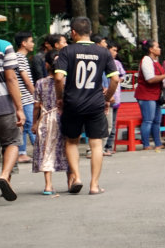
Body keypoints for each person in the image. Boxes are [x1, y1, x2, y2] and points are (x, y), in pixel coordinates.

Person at [53, 17, 119, 195]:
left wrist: (60, 98)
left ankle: (77, 177)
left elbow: (58, 78)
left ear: (73, 32)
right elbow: (115, 79)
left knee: (72, 141)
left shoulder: (67, 51)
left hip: (72, 103)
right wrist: (107, 98)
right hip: (95, 103)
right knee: (96, 144)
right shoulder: (103, 52)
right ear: (89, 31)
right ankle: (94, 185)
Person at [32, 50, 68, 194]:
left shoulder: (40, 83)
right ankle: (71, 180)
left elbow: (36, 106)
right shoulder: (66, 81)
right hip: (63, 117)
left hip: (46, 119)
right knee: (67, 148)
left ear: (47, 65)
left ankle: (48, 185)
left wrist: (35, 123)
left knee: (46, 149)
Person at [0, 18, 24, 201]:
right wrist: (20, 108)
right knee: (12, 142)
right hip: (3, 105)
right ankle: (5, 175)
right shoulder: (4, 46)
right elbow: (12, 79)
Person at [134, 40, 165, 151]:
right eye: (157, 46)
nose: (160, 48)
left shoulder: (155, 61)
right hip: (146, 94)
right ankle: (146, 144)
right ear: (151, 49)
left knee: (157, 120)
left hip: (155, 94)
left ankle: (157, 143)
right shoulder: (146, 60)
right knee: (148, 120)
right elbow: (150, 79)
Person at [14, 32, 36, 163]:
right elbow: (26, 80)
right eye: (31, 41)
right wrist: (36, 94)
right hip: (25, 97)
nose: (33, 44)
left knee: (25, 125)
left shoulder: (22, 58)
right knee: (30, 124)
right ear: (24, 43)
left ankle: (22, 152)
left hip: (25, 97)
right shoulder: (19, 57)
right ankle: (38, 151)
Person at [103, 40, 124, 156]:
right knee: (107, 124)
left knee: (112, 125)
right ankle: (102, 147)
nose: (115, 53)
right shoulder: (103, 63)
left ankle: (109, 146)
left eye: (116, 51)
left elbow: (121, 77)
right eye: (113, 50)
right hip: (107, 97)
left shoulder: (117, 63)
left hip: (116, 97)